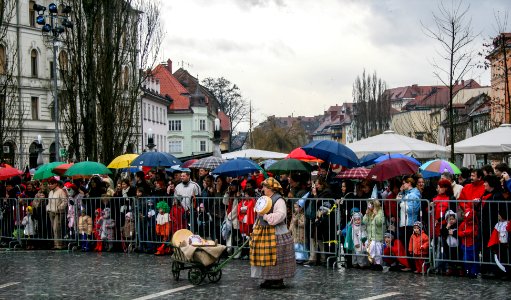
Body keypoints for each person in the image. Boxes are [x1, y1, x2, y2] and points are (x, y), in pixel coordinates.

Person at [250, 177, 295, 289]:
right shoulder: (264, 198)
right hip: (263, 231)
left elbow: (281, 215)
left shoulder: (278, 200)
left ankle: (278, 279)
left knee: (277, 256)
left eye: (265, 186)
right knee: (264, 255)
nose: (263, 188)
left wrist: (265, 216)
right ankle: (268, 278)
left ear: (271, 188)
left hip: (276, 232)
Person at [398, 176, 421, 251]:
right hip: (404, 224)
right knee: (406, 247)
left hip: (410, 224)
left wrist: (401, 204)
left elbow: (411, 210)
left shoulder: (413, 195)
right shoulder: (406, 194)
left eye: (404, 183)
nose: (402, 185)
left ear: (409, 183)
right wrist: (401, 192)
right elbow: (398, 201)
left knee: (409, 248)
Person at [46, 177, 68, 249]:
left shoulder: (60, 191)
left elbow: (64, 201)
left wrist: (59, 208)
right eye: (49, 184)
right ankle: (56, 244)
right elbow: (49, 202)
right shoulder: (50, 192)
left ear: (55, 184)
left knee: (56, 228)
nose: (49, 185)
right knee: (54, 228)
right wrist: (48, 208)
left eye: (51, 184)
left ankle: (59, 244)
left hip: (58, 212)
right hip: (51, 211)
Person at [363, 199, 385, 270]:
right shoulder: (369, 213)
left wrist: (375, 215)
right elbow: (364, 221)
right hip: (370, 236)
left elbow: (379, 222)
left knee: (377, 250)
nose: (369, 207)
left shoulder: (380, 212)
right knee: (370, 248)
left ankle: (378, 264)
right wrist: (366, 214)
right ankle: (373, 262)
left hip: (378, 235)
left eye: (371, 205)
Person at [458, 208, 479, 278]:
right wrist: (465, 233)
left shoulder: (475, 224)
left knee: (474, 259)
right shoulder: (463, 224)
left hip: (473, 244)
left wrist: (469, 233)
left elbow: (476, 234)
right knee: (466, 259)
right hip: (465, 245)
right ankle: (468, 271)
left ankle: (474, 272)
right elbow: (459, 233)